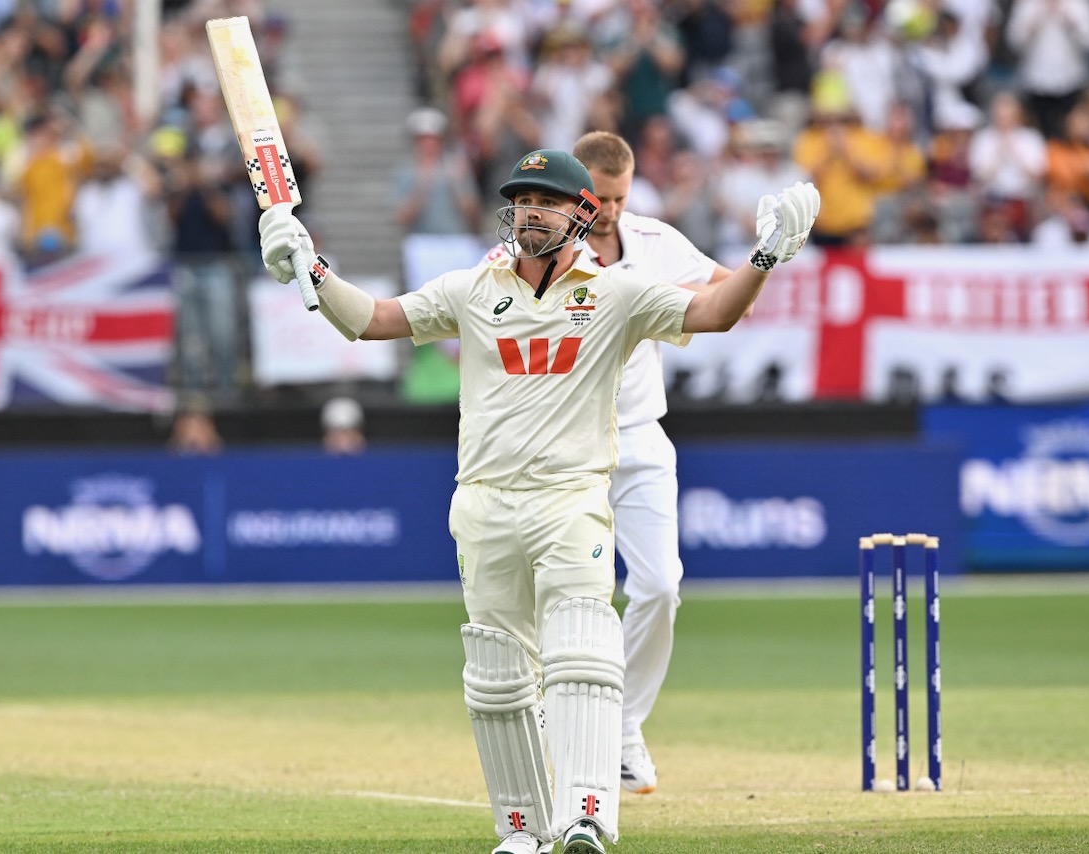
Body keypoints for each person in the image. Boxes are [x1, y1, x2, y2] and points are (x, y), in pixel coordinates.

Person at [258, 149, 819, 854]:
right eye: (522, 200)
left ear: (581, 213)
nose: (529, 211)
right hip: (484, 504)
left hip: (570, 501)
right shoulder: (472, 288)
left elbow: (714, 311)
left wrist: (767, 256)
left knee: (582, 654)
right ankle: (521, 829)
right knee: (499, 676)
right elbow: (373, 320)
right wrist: (310, 270)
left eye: (546, 201)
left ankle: (587, 815)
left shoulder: (618, 292)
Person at [483, 130, 734, 797]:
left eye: (621, 198)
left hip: (640, 436)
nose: (612, 212)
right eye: (600, 199)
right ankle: (551, 717)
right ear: (572, 192)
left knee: (660, 586)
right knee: (556, 598)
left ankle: (622, 728)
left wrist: (765, 259)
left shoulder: (655, 241)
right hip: (560, 447)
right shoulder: (527, 249)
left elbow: (723, 291)